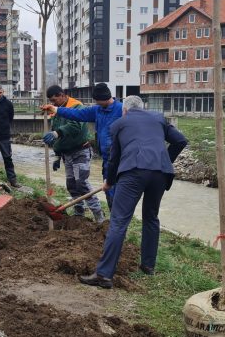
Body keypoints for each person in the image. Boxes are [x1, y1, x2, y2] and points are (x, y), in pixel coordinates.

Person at [79, 96, 188, 289]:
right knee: (151, 217)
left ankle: (104, 275)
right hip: (161, 173)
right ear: (142, 107)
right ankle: (148, 265)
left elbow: (114, 158)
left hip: (133, 172)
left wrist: (109, 182)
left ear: (125, 110)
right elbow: (180, 140)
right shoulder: (158, 118)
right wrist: (164, 160)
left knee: (119, 221)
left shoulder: (119, 124)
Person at [40, 82, 122, 208]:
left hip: (117, 158)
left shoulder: (121, 110)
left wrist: (57, 133)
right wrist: (55, 109)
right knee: (107, 192)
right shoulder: (97, 110)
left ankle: (103, 216)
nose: (97, 103)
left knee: (85, 184)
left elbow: (75, 124)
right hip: (106, 160)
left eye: (98, 101)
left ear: (103, 98)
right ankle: (106, 220)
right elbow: (77, 115)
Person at [42, 85, 104, 223]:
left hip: (80, 151)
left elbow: (75, 126)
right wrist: (57, 155)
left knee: (81, 183)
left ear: (62, 95)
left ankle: (98, 214)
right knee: (71, 184)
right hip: (67, 154)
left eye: (54, 100)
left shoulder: (76, 106)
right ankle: (79, 212)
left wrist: (56, 133)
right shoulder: (56, 110)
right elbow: (57, 132)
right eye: (51, 101)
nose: (53, 103)